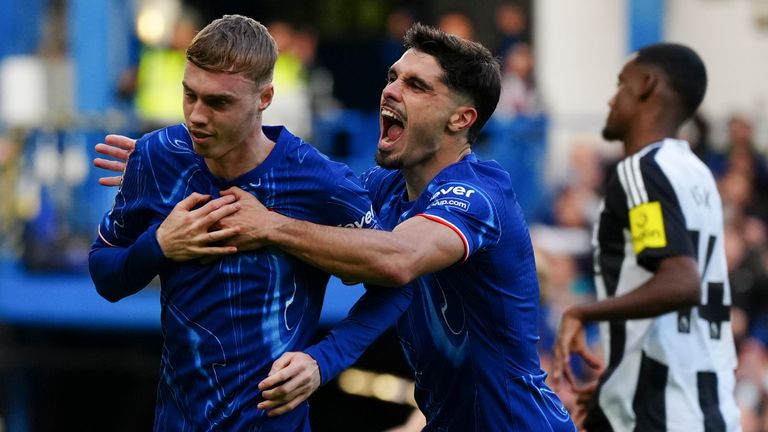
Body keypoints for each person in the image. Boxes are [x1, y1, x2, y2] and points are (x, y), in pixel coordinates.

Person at [207, 23, 575, 431]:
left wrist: (272, 227)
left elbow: (399, 262)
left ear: (461, 118)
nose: (392, 90)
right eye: (393, 77)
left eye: (417, 85)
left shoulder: (480, 195)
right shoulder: (384, 187)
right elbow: (292, 193)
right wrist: (173, 163)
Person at [89, 15, 412, 431]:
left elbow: (397, 283)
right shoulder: (158, 156)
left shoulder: (317, 180)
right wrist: (160, 245)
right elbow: (104, 273)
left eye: (219, 103)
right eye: (190, 95)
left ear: (265, 97)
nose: (197, 116)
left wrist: (323, 360)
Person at [550, 43, 741, 430]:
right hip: (709, 409)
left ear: (646, 85)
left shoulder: (640, 171)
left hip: (659, 413)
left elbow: (681, 282)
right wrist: (615, 381)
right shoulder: (698, 174)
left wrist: (580, 311)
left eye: (621, 85)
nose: (610, 99)